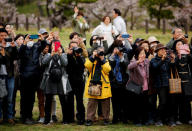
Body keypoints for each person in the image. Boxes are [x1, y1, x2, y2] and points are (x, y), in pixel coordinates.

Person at [19, 35, 46, 124]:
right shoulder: (23, 48)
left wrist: (42, 39)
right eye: (28, 38)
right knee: (24, 98)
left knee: (31, 98)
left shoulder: (36, 47)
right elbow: (19, 53)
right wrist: (24, 43)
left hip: (34, 76)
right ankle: (24, 117)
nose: (30, 40)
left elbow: (43, 46)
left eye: (31, 39)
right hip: (24, 76)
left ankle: (29, 116)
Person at [42, 43, 72, 125]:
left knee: (63, 100)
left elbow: (65, 63)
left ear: (60, 47)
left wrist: (60, 54)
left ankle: (65, 120)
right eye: (53, 46)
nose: (55, 48)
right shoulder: (48, 54)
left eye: (57, 46)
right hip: (50, 80)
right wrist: (51, 55)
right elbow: (43, 63)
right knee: (48, 100)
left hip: (61, 80)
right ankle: (47, 120)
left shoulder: (64, 55)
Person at [85, 46, 112, 126]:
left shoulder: (106, 60)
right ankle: (89, 119)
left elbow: (108, 70)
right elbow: (87, 65)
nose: (100, 53)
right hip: (93, 84)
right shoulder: (92, 60)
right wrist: (93, 56)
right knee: (91, 103)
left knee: (105, 103)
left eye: (102, 52)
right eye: (98, 52)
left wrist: (102, 59)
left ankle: (106, 119)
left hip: (103, 85)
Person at [150, 44, 175, 126]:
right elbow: (155, 67)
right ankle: (158, 119)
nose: (163, 51)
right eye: (161, 50)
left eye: (164, 49)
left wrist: (172, 61)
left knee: (170, 102)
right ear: (157, 51)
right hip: (160, 84)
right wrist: (162, 60)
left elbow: (172, 69)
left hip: (169, 83)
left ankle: (168, 120)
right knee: (163, 102)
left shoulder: (168, 59)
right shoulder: (154, 60)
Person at [171, 39, 192, 125]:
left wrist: (189, 53)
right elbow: (172, 66)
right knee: (178, 101)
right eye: (178, 44)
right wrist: (175, 58)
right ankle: (178, 118)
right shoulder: (173, 55)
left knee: (187, 101)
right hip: (177, 80)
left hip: (187, 81)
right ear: (175, 47)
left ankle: (188, 118)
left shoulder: (187, 55)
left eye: (181, 44)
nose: (180, 46)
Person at [127, 47, 150, 126]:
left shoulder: (147, 61)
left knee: (145, 104)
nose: (142, 55)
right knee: (137, 105)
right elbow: (129, 67)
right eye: (140, 54)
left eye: (143, 53)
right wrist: (137, 62)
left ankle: (144, 120)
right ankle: (137, 121)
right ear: (137, 55)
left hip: (146, 87)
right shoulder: (134, 61)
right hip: (137, 87)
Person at [0, 28, 18, 125]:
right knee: (1, 97)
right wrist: (2, 51)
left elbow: (15, 58)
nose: (3, 37)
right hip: (1, 76)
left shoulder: (10, 46)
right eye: (1, 35)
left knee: (10, 98)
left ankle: (10, 117)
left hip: (10, 74)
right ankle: (1, 117)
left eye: (5, 36)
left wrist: (14, 47)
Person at [108, 41, 129, 124]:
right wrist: (113, 55)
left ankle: (124, 118)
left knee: (124, 101)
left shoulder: (125, 55)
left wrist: (121, 57)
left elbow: (126, 65)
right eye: (116, 47)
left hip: (123, 81)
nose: (118, 49)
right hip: (114, 81)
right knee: (115, 101)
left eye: (120, 47)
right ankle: (115, 119)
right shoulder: (111, 56)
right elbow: (109, 66)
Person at [66, 41, 86, 125]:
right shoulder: (67, 56)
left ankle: (81, 118)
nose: (75, 49)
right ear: (69, 48)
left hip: (79, 82)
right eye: (73, 47)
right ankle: (70, 118)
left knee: (79, 101)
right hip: (70, 81)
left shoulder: (80, 56)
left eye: (76, 47)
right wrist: (69, 54)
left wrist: (78, 56)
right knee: (70, 100)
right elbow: (68, 67)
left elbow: (81, 68)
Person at [12, 34, 24, 118]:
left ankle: (22, 114)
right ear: (16, 40)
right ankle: (11, 114)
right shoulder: (13, 49)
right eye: (19, 39)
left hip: (23, 75)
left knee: (23, 96)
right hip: (14, 75)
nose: (21, 40)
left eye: (22, 39)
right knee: (13, 95)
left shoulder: (25, 49)